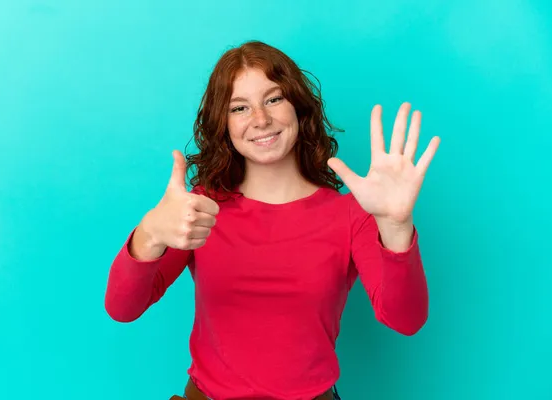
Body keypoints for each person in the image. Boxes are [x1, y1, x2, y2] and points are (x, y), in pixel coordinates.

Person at [104, 40, 440, 400]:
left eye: (274, 99)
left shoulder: (350, 215)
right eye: (239, 107)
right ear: (224, 124)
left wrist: (396, 225)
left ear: (298, 106)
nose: (260, 119)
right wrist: (150, 232)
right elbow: (123, 308)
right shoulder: (199, 209)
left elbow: (406, 320)